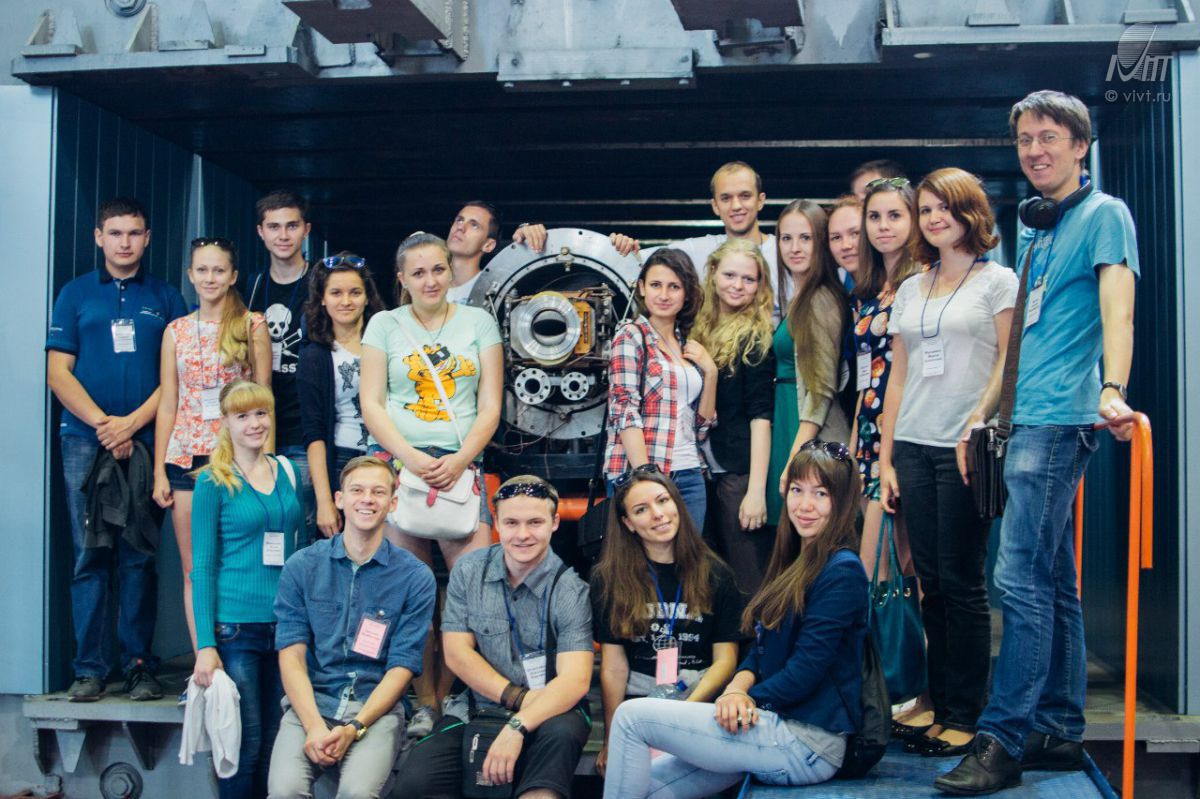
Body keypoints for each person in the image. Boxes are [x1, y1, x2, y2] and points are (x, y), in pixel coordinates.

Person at [937, 91, 1139, 795]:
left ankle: (1002, 739)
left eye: (1049, 137)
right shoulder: (1041, 228)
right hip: (1024, 418)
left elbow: (1118, 312)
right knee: (1052, 580)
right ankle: (1057, 726)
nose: (1034, 150)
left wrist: (1112, 387)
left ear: (1081, 146)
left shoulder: (1104, 215)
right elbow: (1022, 338)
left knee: (1017, 578)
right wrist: (983, 413)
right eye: (1025, 139)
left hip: (1059, 421)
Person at [602, 440, 869, 798]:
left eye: (821, 494)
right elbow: (761, 650)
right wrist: (735, 689)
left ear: (843, 501)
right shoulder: (796, 559)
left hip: (807, 741)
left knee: (631, 718)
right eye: (797, 490)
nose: (805, 505)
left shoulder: (842, 569)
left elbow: (807, 668)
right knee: (645, 786)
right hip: (773, 725)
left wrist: (747, 698)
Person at [876, 168, 1017, 758]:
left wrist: (978, 421)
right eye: (927, 209)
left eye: (946, 208)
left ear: (970, 213)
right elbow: (898, 376)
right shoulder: (912, 287)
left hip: (966, 448)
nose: (935, 218)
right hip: (912, 445)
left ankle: (967, 713)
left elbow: (1007, 363)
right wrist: (885, 458)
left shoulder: (998, 282)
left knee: (962, 583)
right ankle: (938, 703)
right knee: (929, 583)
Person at [360, 231, 503, 737]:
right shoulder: (383, 324)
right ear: (401, 278)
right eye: (417, 272)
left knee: (474, 592)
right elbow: (372, 403)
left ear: (450, 270)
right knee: (411, 595)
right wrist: (412, 459)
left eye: (438, 269)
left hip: (463, 469)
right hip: (403, 469)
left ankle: (465, 694)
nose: (430, 280)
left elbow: (491, 404)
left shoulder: (478, 322)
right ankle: (424, 700)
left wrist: (461, 460)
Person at [46, 196, 187, 702]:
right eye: (115, 233)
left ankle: (139, 666)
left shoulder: (166, 297)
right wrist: (105, 425)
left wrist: (131, 425)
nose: (125, 242)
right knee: (90, 555)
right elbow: (58, 372)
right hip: (85, 442)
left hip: (147, 442)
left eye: (134, 233)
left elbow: (178, 376)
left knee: (138, 556)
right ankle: (89, 669)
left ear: (147, 239)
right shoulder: (75, 294)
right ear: (99, 237)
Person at [392, 475, 594, 799]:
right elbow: (457, 653)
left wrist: (518, 724)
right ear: (496, 522)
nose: (523, 534)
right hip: (477, 705)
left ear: (555, 523)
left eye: (535, 522)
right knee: (414, 785)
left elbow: (575, 680)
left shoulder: (570, 589)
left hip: (554, 708)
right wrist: (517, 699)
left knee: (545, 778)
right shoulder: (469, 571)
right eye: (511, 523)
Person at [267, 456, 436, 799]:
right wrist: (314, 726)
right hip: (312, 705)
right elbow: (291, 657)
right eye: (357, 490)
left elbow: (402, 667)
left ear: (393, 503)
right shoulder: (302, 566)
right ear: (339, 499)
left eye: (378, 492)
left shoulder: (415, 577)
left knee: (357, 794)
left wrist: (355, 727)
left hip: (376, 711)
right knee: (285, 792)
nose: (367, 499)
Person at [154, 237, 271, 653]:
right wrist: (158, 470)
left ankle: (240, 651)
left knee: (238, 561)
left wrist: (266, 462)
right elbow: (168, 401)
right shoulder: (175, 331)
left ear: (233, 275)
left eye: (219, 270)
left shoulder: (251, 325)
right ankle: (204, 658)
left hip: (238, 456)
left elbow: (264, 398)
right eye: (202, 270)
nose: (210, 278)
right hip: (186, 457)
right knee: (196, 568)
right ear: (190, 275)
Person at [191, 380, 304, 798]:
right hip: (236, 629)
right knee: (243, 745)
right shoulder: (212, 481)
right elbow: (202, 568)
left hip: (284, 628)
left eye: (261, 413)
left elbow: (300, 550)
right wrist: (205, 645)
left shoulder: (287, 471)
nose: (255, 423)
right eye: (243, 416)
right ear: (225, 422)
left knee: (277, 744)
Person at [590, 468, 743, 777]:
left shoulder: (717, 573)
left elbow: (725, 660)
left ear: (677, 503)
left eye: (663, 501)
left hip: (698, 697)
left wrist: (680, 714)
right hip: (638, 702)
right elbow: (613, 666)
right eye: (641, 510)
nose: (658, 514)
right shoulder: (609, 578)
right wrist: (611, 737)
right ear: (628, 523)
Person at [605, 248, 718, 531]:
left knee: (689, 557)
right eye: (656, 285)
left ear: (687, 293)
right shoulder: (630, 336)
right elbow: (624, 409)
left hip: (689, 471)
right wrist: (646, 478)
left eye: (674, 287)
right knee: (645, 558)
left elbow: (701, 428)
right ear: (642, 288)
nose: (664, 295)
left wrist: (711, 373)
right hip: (642, 472)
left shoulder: (687, 343)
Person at [692, 238, 776, 595]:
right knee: (712, 583)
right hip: (701, 473)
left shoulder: (756, 338)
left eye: (748, 279)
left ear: (759, 285)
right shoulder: (695, 326)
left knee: (749, 581)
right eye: (730, 275)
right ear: (712, 273)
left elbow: (761, 417)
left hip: (737, 474)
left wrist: (756, 491)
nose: (738, 285)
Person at [608, 162, 785, 317]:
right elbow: (639, 261)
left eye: (745, 196)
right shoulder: (698, 250)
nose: (736, 205)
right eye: (726, 198)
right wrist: (623, 246)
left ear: (760, 200)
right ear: (715, 206)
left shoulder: (785, 252)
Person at [769, 201, 852, 531]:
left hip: (809, 430)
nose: (794, 248)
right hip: (790, 419)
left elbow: (821, 389)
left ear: (821, 241)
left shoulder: (820, 299)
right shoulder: (799, 297)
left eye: (805, 238)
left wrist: (795, 456)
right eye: (786, 238)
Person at [297, 253, 386, 539]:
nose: (346, 301)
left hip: (389, 458)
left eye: (355, 292)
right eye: (336, 293)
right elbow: (314, 431)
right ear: (322, 299)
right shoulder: (314, 355)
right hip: (343, 460)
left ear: (367, 297)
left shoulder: (388, 343)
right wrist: (324, 500)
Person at [246, 190, 315, 538]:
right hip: (258, 429)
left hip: (306, 428)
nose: (283, 235)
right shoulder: (251, 286)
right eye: (274, 227)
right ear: (261, 232)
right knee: (264, 527)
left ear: (306, 229)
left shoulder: (321, 284)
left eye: (291, 226)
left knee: (304, 527)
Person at [445, 202, 549, 304]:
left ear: (488, 245)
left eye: (474, 225)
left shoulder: (495, 292)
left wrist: (526, 238)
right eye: (459, 220)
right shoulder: (435, 284)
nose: (460, 227)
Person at [827, 194, 864, 291]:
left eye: (855, 233)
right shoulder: (835, 289)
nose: (845, 245)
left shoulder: (895, 289)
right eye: (836, 237)